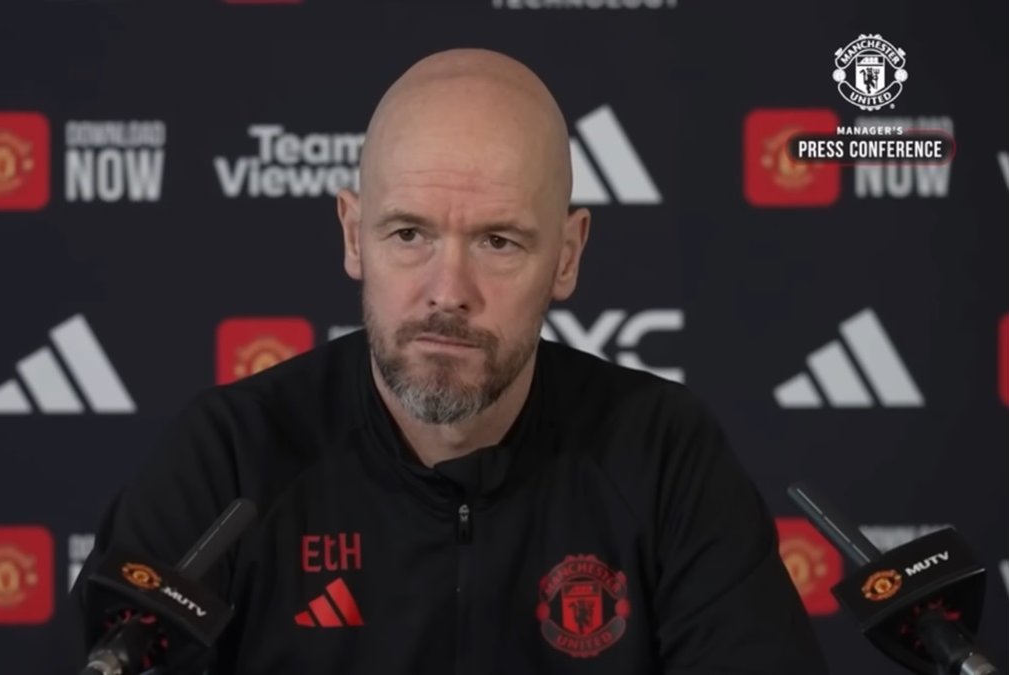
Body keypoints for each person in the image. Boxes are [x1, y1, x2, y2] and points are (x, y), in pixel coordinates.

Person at [74, 48, 829, 674]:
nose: (448, 291)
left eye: (499, 241)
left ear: (567, 256)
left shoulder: (663, 455)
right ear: (353, 235)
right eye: (409, 234)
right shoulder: (229, 457)